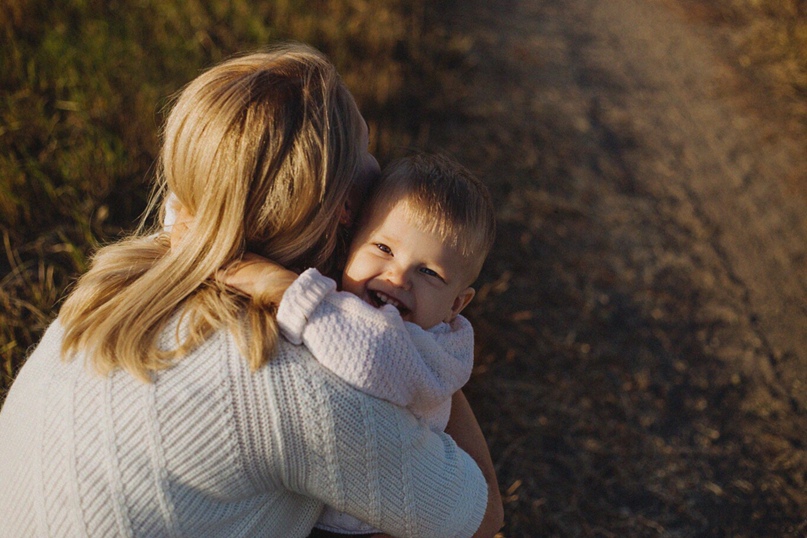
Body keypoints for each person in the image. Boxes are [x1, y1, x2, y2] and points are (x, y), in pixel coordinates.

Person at [0, 44, 496, 537]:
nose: (378, 163)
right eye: (366, 149)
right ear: (345, 205)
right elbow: (480, 515)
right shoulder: (294, 378)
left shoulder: (129, 276)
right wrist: (422, 348)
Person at [221, 152, 499, 537]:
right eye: (383, 248)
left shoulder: (415, 346)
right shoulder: (371, 312)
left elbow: (368, 352)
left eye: (428, 272)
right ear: (350, 244)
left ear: (456, 305)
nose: (397, 276)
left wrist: (288, 291)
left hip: (358, 525)